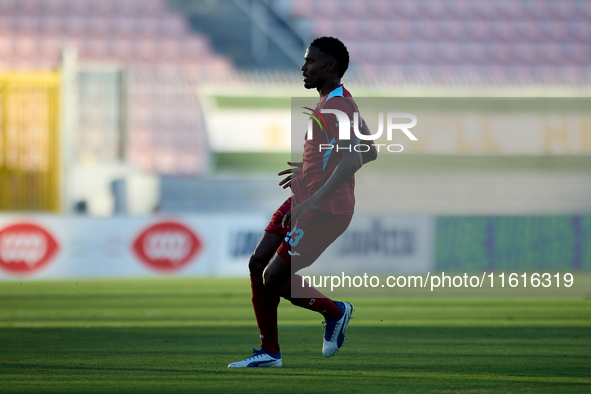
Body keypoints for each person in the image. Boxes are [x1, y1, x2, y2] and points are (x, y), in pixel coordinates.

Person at [228, 36, 377, 368]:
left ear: (330, 67)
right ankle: (269, 352)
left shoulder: (338, 105)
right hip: (306, 196)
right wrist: (312, 168)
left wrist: (311, 201)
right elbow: (369, 149)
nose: (303, 67)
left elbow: (354, 160)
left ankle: (336, 311)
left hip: (324, 208)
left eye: (310, 61)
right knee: (258, 263)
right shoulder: (336, 101)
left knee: (273, 278)